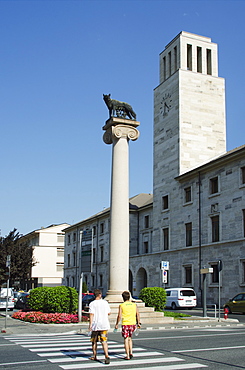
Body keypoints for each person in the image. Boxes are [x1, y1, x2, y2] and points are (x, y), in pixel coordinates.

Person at [114, 291, 141, 360]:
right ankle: (131, 352)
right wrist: (138, 322)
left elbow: (119, 316)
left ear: (123, 298)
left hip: (125, 323)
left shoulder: (122, 305)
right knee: (130, 338)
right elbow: (137, 314)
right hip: (132, 323)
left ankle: (127, 355)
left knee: (126, 339)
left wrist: (116, 324)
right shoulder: (134, 305)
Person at [88, 289, 111, 364]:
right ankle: (106, 355)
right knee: (104, 341)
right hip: (104, 324)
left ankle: (94, 355)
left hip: (95, 325)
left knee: (94, 341)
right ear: (100, 295)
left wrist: (90, 325)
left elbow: (91, 314)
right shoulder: (105, 303)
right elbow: (109, 313)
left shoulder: (92, 304)